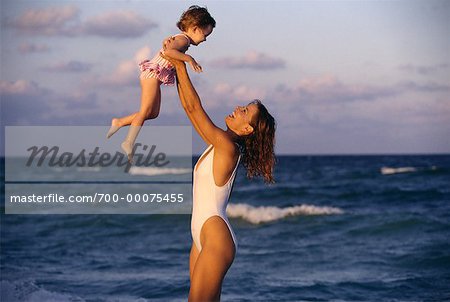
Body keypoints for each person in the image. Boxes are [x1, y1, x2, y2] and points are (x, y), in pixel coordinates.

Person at [163, 51, 276, 301]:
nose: (237, 108)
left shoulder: (228, 147)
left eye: (245, 111)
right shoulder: (219, 144)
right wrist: (175, 69)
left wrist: (180, 63)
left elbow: (194, 108)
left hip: (216, 237)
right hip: (201, 236)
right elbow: (189, 109)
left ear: (247, 129)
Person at [106, 5, 216, 162]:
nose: (205, 38)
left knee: (153, 113)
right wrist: (190, 59)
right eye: (205, 34)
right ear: (195, 28)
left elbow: (169, 49)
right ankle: (128, 142)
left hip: (154, 77)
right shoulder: (183, 40)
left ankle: (119, 122)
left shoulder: (181, 39)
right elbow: (169, 52)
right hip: (152, 75)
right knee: (144, 112)